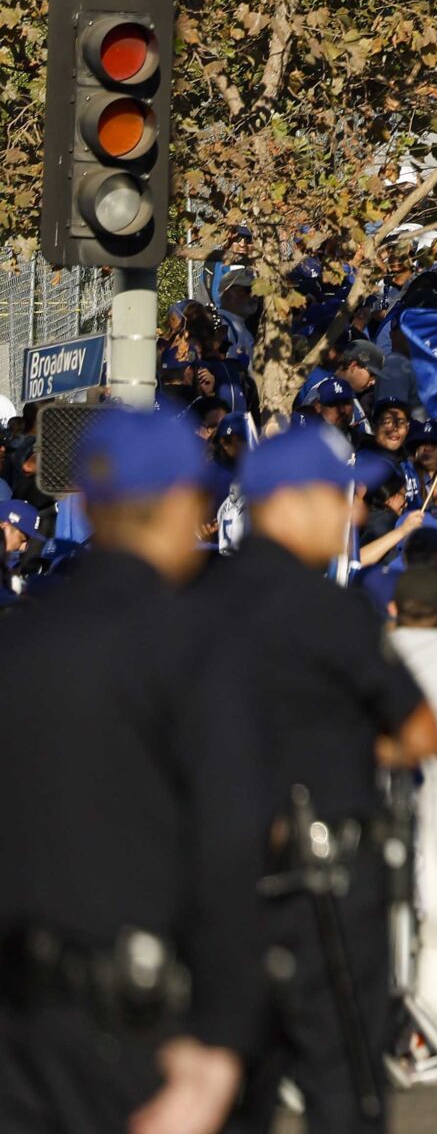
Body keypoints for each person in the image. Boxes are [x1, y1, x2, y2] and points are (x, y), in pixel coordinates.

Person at [0, 407, 264, 1134]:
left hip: (21, 1031)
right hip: (152, 1034)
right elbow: (232, 846)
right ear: (184, 500)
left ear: (88, 502)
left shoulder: (21, 646)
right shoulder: (198, 647)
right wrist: (223, 1046)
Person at [204, 421, 437, 1134]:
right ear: (290, 501)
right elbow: (419, 731)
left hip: (221, 883)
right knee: (344, 1089)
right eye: (343, 496)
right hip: (329, 884)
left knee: (235, 1088)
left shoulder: (196, 602)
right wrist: (344, 745)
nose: (356, 514)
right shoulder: (329, 608)